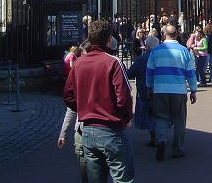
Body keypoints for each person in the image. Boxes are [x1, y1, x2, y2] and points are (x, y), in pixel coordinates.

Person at [63, 19, 134, 183]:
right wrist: (126, 118)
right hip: (111, 128)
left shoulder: (79, 63)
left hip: (88, 129)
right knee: (123, 179)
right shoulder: (113, 62)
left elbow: (68, 95)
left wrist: (82, 108)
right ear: (109, 38)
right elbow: (123, 97)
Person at [146, 24, 198, 161]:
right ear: (177, 35)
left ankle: (162, 140)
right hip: (178, 91)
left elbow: (149, 72)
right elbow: (190, 73)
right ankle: (177, 149)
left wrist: (149, 87)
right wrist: (193, 90)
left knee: (161, 118)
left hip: (160, 90)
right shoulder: (184, 51)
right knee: (179, 119)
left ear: (163, 35)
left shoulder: (155, 51)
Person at [57, 40, 91, 183]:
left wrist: (63, 134)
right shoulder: (109, 66)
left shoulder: (78, 73)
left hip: (86, 128)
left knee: (89, 169)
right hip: (96, 129)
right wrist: (63, 133)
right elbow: (71, 108)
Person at [126, 35, 159, 147]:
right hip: (162, 90)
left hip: (145, 91)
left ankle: (154, 137)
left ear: (148, 46)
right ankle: (160, 136)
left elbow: (129, 74)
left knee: (149, 115)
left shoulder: (141, 59)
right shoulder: (162, 57)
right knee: (160, 115)